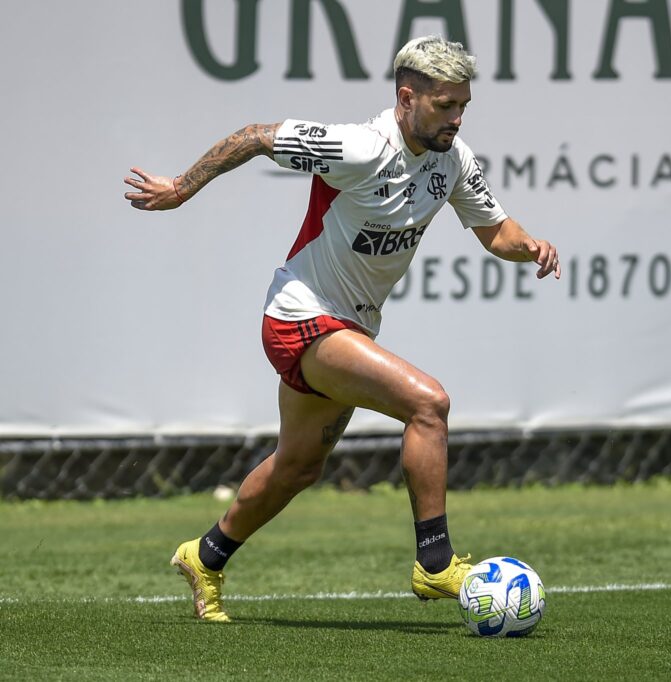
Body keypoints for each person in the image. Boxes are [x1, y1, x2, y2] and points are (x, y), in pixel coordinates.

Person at [123, 36, 560, 622]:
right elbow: (254, 137)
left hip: (348, 326)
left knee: (299, 465)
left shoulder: (452, 160)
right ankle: (435, 564)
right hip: (301, 317)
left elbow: (495, 232)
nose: (456, 118)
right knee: (429, 404)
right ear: (407, 98)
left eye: (463, 106)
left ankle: (205, 556)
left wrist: (530, 247)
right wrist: (180, 189)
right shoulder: (361, 147)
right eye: (445, 106)